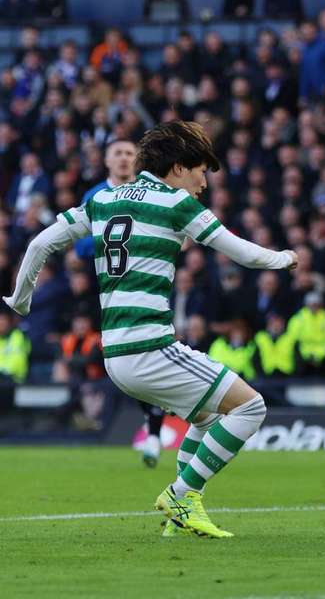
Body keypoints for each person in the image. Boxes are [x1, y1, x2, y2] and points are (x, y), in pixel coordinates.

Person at [3, 121, 298, 538]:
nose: (203, 183)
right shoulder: (176, 203)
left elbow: (38, 245)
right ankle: (182, 494)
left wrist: (20, 299)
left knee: (208, 417)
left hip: (116, 354)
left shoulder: (103, 198)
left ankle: (176, 520)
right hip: (151, 347)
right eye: (200, 172)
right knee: (251, 408)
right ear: (178, 167)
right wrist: (284, 258)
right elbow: (244, 255)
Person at [75, 138, 166, 468]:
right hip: (108, 293)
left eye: (131, 153)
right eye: (119, 153)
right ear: (107, 161)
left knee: (151, 350)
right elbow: (78, 246)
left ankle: (154, 431)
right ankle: (105, 415)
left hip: (146, 288)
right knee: (118, 359)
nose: (126, 158)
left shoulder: (150, 192)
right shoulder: (96, 196)